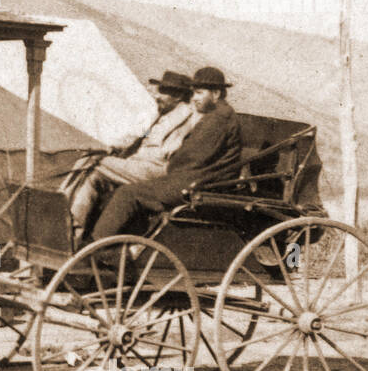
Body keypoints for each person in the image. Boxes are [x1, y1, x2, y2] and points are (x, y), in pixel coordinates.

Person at [88, 66, 243, 242]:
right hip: (191, 179)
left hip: (195, 183)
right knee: (126, 189)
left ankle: (101, 247)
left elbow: (191, 157)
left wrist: (172, 164)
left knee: (128, 193)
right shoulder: (215, 115)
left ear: (215, 94)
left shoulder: (218, 118)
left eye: (199, 93)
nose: (194, 98)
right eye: (193, 93)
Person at [66, 71, 198, 240]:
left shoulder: (188, 116)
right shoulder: (161, 114)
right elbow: (136, 136)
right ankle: (72, 230)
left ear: (178, 95)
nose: (157, 96)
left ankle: (60, 207)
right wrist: (109, 147)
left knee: (91, 160)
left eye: (163, 91)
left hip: (155, 170)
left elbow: (176, 151)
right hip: (136, 166)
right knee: (93, 177)